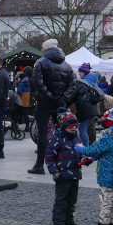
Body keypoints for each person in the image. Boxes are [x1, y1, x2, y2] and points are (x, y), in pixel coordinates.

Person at [75, 105, 113, 225]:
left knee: (106, 200)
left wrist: (80, 148)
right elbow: (111, 153)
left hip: (107, 174)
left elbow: (92, 150)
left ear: (110, 121)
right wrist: (94, 159)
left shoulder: (108, 137)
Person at [29, 39, 74, 174]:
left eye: (43, 48)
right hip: (61, 102)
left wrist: (49, 96)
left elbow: (38, 83)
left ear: (46, 49)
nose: (41, 50)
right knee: (63, 132)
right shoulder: (67, 65)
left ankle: (39, 165)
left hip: (44, 102)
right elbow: (72, 84)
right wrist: (63, 97)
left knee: (42, 133)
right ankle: (65, 161)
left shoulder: (40, 63)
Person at [45, 111, 83, 225]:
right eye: (70, 126)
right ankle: (58, 221)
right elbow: (49, 157)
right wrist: (54, 171)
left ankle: (69, 220)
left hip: (75, 174)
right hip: (62, 174)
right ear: (63, 126)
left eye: (75, 126)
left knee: (72, 199)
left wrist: (85, 158)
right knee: (61, 199)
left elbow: (81, 153)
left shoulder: (76, 138)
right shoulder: (56, 139)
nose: (73, 128)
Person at [63, 64, 104, 146]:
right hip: (93, 109)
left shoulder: (80, 82)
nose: (79, 74)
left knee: (82, 130)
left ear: (85, 72)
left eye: (81, 72)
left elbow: (73, 96)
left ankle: (85, 150)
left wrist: (64, 105)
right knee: (86, 129)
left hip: (86, 110)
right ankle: (86, 147)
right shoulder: (92, 81)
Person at [16, 67, 32, 132]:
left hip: (21, 101)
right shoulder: (28, 83)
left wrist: (16, 92)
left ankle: (15, 125)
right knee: (26, 115)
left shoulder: (21, 84)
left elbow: (19, 92)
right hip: (27, 101)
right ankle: (27, 127)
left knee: (17, 113)